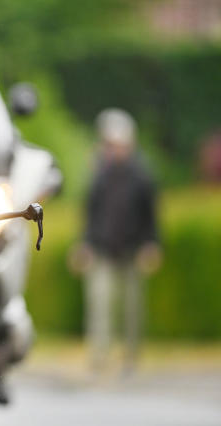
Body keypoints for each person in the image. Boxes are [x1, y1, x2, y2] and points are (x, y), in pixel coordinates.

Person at [71, 108, 162, 375]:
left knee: (132, 310)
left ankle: (131, 358)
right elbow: (90, 212)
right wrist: (84, 244)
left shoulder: (143, 174)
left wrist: (151, 243)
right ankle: (99, 357)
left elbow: (151, 214)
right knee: (99, 306)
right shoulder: (99, 173)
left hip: (133, 250)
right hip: (102, 250)